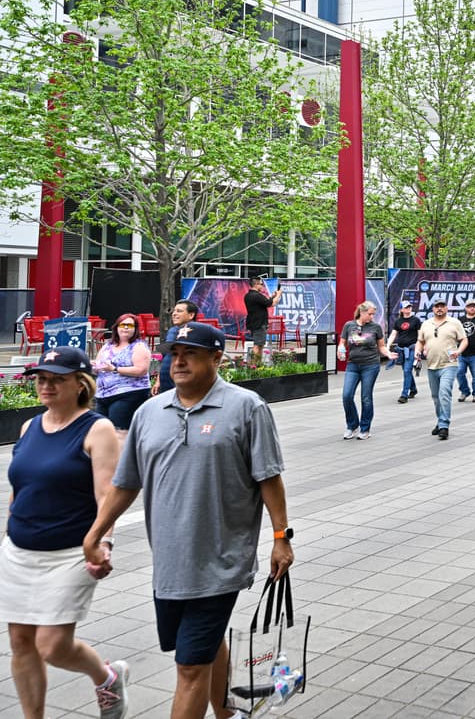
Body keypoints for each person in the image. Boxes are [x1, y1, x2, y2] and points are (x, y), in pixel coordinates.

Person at [83, 322, 294, 718]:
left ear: (217, 357)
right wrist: (96, 532)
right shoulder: (150, 411)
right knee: (204, 644)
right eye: (173, 353)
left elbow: (268, 475)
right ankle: (227, 712)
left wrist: (281, 537)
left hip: (221, 558)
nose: (178, 361)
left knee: (190, 666)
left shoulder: (247, 407)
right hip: (170, 561)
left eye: (190, 353)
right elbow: (127, 483)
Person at [2, 347, 129, 719]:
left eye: (57, 379)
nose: (46, 385)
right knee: (20, 642)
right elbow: (21, 486)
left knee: (52, 645)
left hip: (71, 552)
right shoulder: (30, 426)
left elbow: (107, 495)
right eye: (42, 378)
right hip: (19, 551)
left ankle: (106, 677)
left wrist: (103, 543)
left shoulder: (97, 428)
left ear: (80, 384)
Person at [337, 301, 394, 440]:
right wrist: (340, 351)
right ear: (361, 312)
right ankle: (352, 425)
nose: (372, 317)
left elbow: (381, 346)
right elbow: (342, 343)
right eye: (370, 314)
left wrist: (387, 353)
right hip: (353, 365)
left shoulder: (375, 327)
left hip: (370, 365)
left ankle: (365, 428)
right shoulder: (349, 325)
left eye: (373, 314)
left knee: (366, 397)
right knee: (346, 395)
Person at [92, 312, 153, 440]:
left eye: (130, 326)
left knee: (118, 433)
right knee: (101, 432)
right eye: (123, 325)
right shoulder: (107, 346)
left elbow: (141, 370)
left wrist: (114, 369)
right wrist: (94, 366)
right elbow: (98, 365)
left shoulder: (138, 346)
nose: (126, 328)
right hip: (103, 395)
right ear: (116, 327)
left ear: (135, 329)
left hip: (128, 394)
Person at [416, 299, 467, 440]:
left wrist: (459, 351)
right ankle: (440, 421)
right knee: (436, 397)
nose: (439, 309)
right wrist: (417, 351)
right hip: (432, 365)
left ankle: (444, 425)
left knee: (444, 393)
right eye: (437, 306)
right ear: (433, 309)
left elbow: (464, 340)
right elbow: (420, 341)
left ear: (446, 308)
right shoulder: (426, 324)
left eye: (442, 306)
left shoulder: (454, 323)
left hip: (449, 364)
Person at [157, 299, 199, 393]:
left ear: (191, 315)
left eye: (179, 311)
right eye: (174, 311)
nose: (174, 314)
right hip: (166, 385)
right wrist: (158, 380)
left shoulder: (198, 333)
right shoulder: (172, 331)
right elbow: (166, 358)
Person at [387, 300, 422, 404]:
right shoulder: (398, 321)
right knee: (406, 371)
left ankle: (404, 395)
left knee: (407, 370)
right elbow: (393, 334)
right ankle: (414, 389)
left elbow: (420, 335)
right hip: (401, 350)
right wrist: (388, 346)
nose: (408, 309)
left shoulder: (416, 320)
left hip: (412, 349)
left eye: (409, 307)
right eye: (406, 307)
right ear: (401, 309)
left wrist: (420, 348)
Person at [242, 277, 281, 354]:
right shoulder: (256, 296)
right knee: (257, 345)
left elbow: (265, 302)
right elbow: (272, 304)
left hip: (255, 322)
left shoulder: (248, 295)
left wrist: (272, 297)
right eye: (261, 284)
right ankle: (254, 364)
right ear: (256, 284)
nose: (262, 286)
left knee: (260, 345)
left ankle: (257, 363)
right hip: (259, 324)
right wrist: (278, 295)